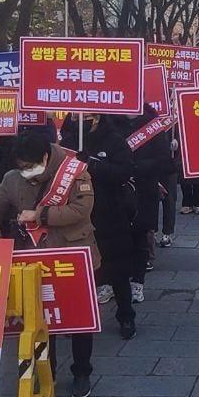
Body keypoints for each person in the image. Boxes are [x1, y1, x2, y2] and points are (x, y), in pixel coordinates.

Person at [0, 132, 100, 397]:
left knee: (79, 320)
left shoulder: (74, 173)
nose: (25, 172)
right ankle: (48, 373)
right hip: (34, 258)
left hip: (72, 256)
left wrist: (40, 214)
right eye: (20, 167)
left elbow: (81, 210)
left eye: (29, 167)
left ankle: (82, 372)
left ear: (44, 157)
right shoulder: (12, 179)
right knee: (42, 320)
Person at [60, 113, 138, 340]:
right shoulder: (67, 143)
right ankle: (77, 319)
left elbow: (124, 172)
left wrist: (93, 165)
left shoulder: (114, 140)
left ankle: (126, 316)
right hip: (78, 218)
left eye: (88, 116)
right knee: (79, 272)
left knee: (118, 271)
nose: (81, 119)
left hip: (110, 214)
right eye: (76, 115)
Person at [127, 106, 176, 301]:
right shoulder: (109, 119)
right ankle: (113, 283)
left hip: (144, 190)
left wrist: (137, 167)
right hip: (114, 191)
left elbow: (165, 162)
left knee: (140, 239)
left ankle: (137, 283)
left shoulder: (151, 123)